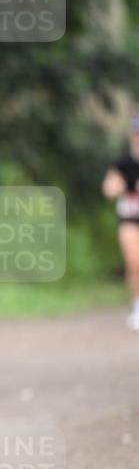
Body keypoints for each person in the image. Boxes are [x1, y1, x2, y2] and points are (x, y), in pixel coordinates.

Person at [102, 112, 139, 331]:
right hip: (130, 220)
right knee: (134, 262)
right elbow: (109, 189)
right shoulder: (123, 164)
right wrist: (124, 187)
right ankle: (137, 304)